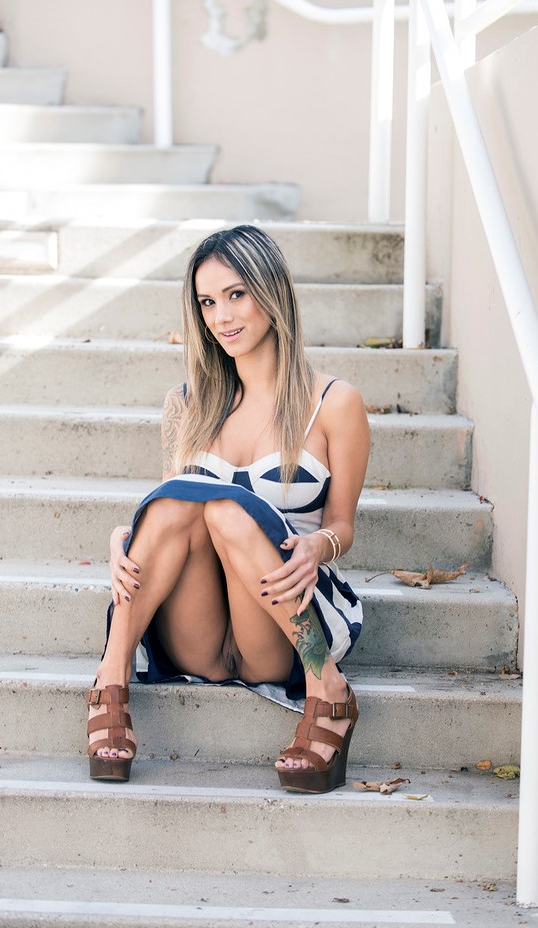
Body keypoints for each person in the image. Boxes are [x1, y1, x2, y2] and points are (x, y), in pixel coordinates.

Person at [85, 225, 370, 794]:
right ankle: (110, 677)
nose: (222, 316)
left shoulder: (334, 403)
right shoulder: (187, 404)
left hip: (280, 624)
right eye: (207, 302)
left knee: (226, 511)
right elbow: (170, 515)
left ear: (272, 291)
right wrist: (123, 536)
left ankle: (326, 686)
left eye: (236, 294)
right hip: (199, 632)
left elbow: (342, 524)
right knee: (178, 504)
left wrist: (318, 545)